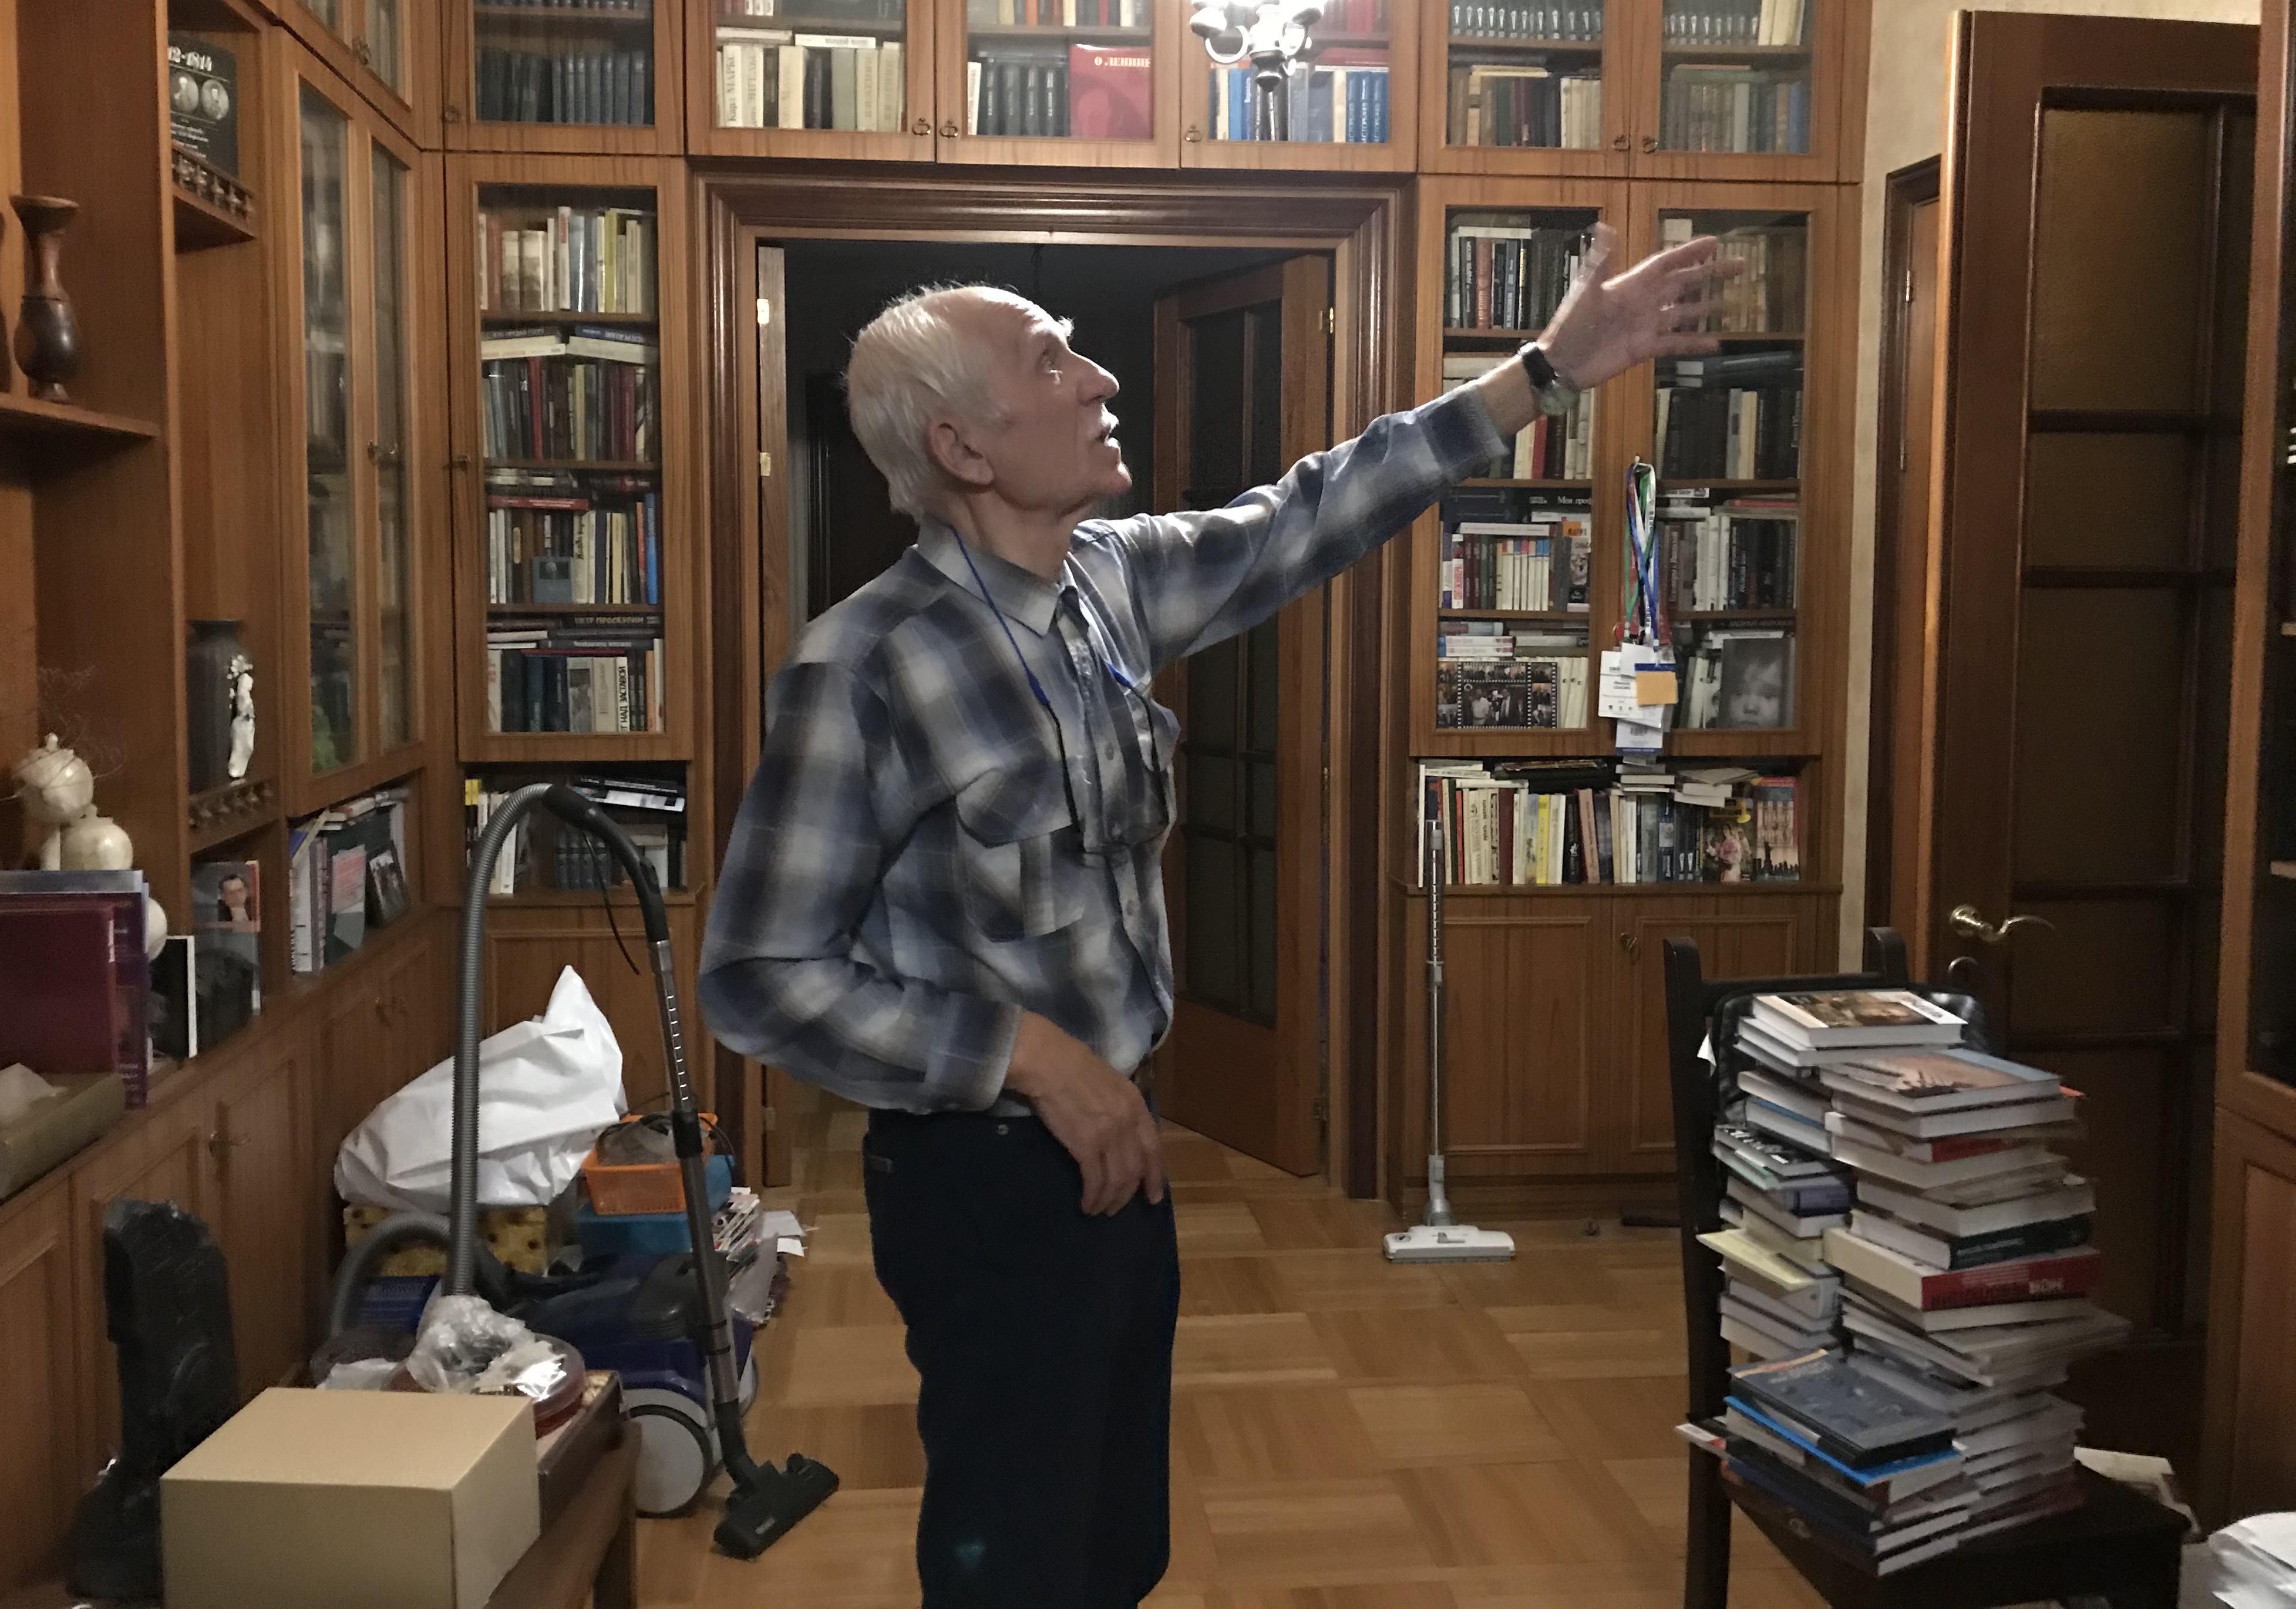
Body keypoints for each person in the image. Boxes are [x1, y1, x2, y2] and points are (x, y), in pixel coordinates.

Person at [698, 227, 1731, 1608]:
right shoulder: (862, 667)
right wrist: (1030, 1055)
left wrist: (1544, 370)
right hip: (980, 1180)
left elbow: (1317, 510)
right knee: (1015, 1549)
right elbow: (760, 972)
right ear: (962, 447)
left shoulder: (1112, 583)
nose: (1102, 380)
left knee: (1119, 1538)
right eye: (1053, 363)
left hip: (1120, 1144)